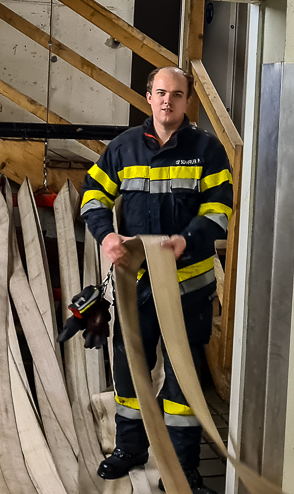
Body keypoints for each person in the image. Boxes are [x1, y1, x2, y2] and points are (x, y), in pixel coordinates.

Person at [79, 66, 233, 494]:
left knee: (185, 382)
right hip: (137, 288)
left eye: (177, 94)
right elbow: (92, 196)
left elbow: (220, 209)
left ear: (187, 101)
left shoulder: (207, 150)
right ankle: (130, 450)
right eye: (161, 93)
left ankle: (182, 470)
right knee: (130, 372)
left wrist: (188, 240)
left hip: (189, 290)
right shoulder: (123, 148)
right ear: (149, 97)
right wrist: (106, 235)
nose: (168, 100)